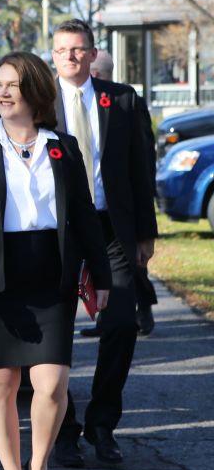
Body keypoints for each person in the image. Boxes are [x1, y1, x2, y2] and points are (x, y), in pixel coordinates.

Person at [0, 51, 112, 470]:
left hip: (51, 278)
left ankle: (39, 467)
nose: (1, 92)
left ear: (35, 91)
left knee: (52, 382)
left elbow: (83, 217)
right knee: (0, 382)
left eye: (12, 84)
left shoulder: (63, 146)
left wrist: (101, 278)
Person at [49, 19, 158, 468]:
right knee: (54, 334)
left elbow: (141, 168)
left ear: (93, 54)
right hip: (57, 230)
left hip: (112, 229)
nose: (71, 57)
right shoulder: (38, 101)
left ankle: (102, 423)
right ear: (52, 55)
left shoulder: (124, 100)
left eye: (79, 50)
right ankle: (64, 430)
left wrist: (146, 234)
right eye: (62, 50)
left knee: (121, 325)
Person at [86, 49, 158, 337]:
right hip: (97, 204)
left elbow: (142, 155)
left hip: (124, 202)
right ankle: (107, 319)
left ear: (97, 74)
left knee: (133, 266)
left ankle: (144, 309)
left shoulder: (125, 101)